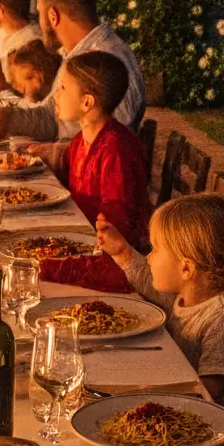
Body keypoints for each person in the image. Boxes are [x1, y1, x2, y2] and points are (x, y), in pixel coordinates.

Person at [96, 194, 224, 434]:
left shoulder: (223, 318)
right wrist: (122, 253)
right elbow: (150, 283)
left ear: (186, 268)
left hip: (220, 435)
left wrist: (147, 391)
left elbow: (210, 392)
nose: (149, 257)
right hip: (183, 417)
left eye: (155, 250)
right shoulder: (187, 295)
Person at [0, 0, 144, 143]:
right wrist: (9, 119)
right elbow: (50, 118)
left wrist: (55, 153)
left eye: (39, 12)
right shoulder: (75, 54)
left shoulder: (108, 61)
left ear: (53, 16)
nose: (38, 21)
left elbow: (112, 143)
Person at [35, 51, 152, 291]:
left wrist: (51, 265)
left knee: (29, 273)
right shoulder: (81, 140)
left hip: (117, 261)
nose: (55, 94)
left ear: (87, 102)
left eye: (63, 88)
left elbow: (117, 236)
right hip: (84, 243)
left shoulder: (116, 150)